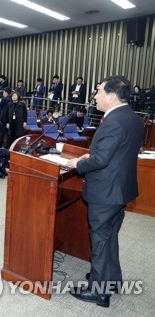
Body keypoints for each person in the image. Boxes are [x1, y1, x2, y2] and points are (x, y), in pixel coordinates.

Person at [66, 76, 144, 308]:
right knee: (109, 237)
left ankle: (99, 292)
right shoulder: (132, 117)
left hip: (106, 191)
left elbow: (102, 159)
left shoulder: (113, 121)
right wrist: (94, 156)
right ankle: (111, 280)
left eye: (98, 92)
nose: (95, 96)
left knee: (100, 239)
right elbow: (117, 152)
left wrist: (77, 165)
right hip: (120, 189)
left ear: (111, 96)